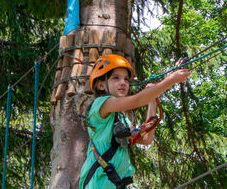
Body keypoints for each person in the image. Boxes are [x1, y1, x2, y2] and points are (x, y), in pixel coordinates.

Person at [79, 54, 191, 189]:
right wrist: (171, 80)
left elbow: (147, 139)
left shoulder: (121, 118)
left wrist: (152, 101)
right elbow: (137, 100)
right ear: (101, 85)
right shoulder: (100, 104)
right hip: (98, 183)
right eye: (116, 78)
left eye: (126, 79)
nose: (123, 83)